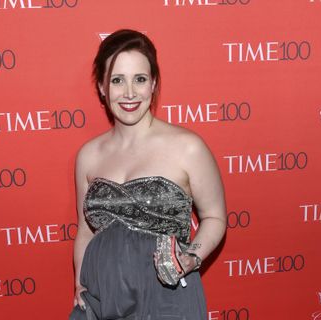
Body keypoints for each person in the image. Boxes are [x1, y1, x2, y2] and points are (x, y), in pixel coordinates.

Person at [69, 29, 227, 320]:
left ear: (153, 83)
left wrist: (190, 258)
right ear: (102, 88)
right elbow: (85, 231)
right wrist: (80, 282)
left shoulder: (187, 147)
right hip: (101, 296)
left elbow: (215, 218)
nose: (129, 93)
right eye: (117, 80)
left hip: (166, 296)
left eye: (139, 79)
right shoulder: (88, 155)